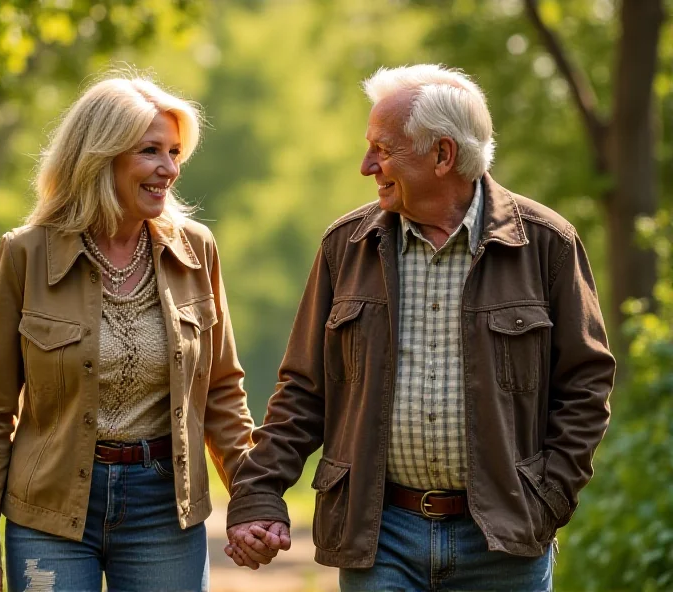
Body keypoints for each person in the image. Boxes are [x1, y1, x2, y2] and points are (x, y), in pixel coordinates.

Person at [224, 64, 615, 591]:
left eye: (383, 150)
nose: (367, 166)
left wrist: (548, 497)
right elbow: (303, 391)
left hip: (503, 541)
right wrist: (259, 494)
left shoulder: (545, 244)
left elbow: (586, 386)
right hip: (380, 535)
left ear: (443, 155)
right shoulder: (347, 247)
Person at [0, 73, 254, 592]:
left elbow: (223, 394)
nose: (169, 169)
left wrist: (253, 500)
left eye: (174, 152)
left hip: (163, 508)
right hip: (49, 509)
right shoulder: (25, 255)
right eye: (151, 152)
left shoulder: (196, 250)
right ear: (102, 156)